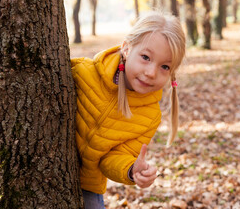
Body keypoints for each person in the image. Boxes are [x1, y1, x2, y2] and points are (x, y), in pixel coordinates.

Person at [71, 11, 186, 208]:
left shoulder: (149, 116)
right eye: (145, 57)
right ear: (126, 48)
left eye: (164, 67)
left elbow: (112, 158)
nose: (151, 73)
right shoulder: (82, 72)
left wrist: (131, 169)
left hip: (87, 187)